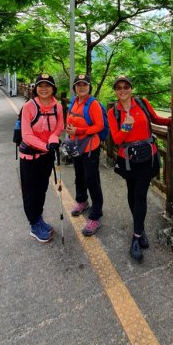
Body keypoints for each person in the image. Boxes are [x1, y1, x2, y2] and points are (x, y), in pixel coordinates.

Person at [108, 75, 171, 262]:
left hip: (146, 156)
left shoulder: (142, 103)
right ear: (116, 91)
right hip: (128, 158)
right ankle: (140, 228)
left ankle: (136, 238)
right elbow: (117, 139)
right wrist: (126, 128)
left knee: (140, 194)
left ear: (131, 88)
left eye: (125, 86)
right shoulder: (114, 112)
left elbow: (156, 119)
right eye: (118, 87)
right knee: (131, 191)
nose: (122, 90)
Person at [19, 73, 64, 243]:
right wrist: (46, 145)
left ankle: (39, 219)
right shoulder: (29, 107)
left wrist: (53, 140)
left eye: (47, 85)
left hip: (46, 157)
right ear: (36, 88)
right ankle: (34, 224)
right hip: (30, 157)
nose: (44, 89)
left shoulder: (57, 106)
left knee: (42, 189)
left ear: (53, 88)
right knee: (31, 192)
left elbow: (59, 127)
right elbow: (26, 135)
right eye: (40, 85)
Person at [66, 74, 104, 236]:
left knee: (91, 179)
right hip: (76, 145)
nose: (81, 87)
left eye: (85, 84)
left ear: (89, 87)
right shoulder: (73, 102)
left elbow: (99, 126)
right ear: (74, 87)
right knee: (79, 175)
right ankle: (82, 201)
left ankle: (96, 214)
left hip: (90, 147)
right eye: (78, 85)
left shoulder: (93, 104)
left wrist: (79, 131)